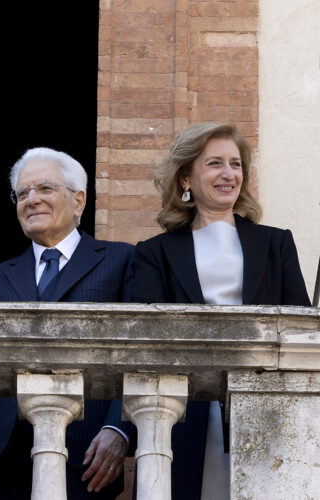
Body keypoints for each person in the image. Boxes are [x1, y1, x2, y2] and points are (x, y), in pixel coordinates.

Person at [132, 122, 311, 500]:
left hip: (267, 412)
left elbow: (300, 336)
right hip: (182, 416)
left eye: (236, 164)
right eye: (215, 163)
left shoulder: (276, 244)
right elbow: (146, 342)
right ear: (185, 177)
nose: (229, 174)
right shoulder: (154, 253)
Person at [0, 147, 135, 500]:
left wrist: (117, 429)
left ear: (78, 201)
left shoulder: (122, 260)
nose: (32, 200)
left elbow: (137, 354)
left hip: (87, 454)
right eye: (23, 193)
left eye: (45, 188)